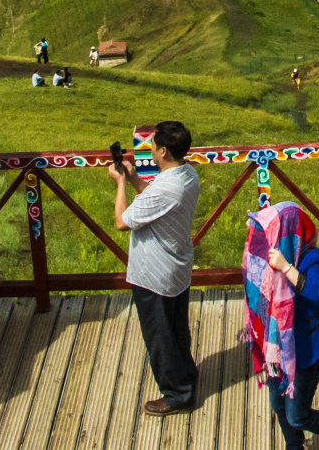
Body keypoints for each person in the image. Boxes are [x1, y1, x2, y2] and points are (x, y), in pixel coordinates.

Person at [115, 120, 202, 416]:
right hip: (176, 268)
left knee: (160, 336)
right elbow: (154, 198)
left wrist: (120, 183)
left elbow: (121, 221)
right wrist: (134, 178)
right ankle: (186, 376)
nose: (149, 148)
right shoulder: (188, 174)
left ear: (163, 151)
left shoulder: (165, 189)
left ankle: (177, 395)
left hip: (154, 274)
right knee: (176, 329)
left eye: (152, 144)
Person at [244, 202, 319, 450]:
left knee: (297, 415)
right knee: (278, 404)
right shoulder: (272, 257)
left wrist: (286, 268)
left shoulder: (311, 258)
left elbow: (315, 292)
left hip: (307, 353)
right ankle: (295, 445)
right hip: (277, 350)